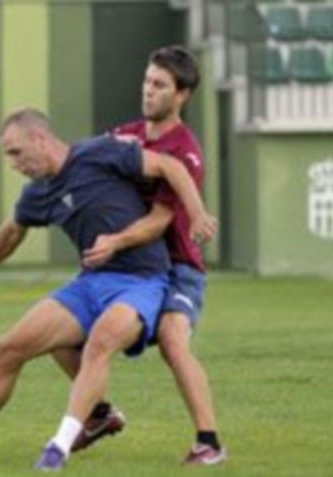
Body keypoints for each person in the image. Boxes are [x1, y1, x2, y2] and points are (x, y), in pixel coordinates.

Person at [0, 108, 216, 470]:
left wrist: (197, 214)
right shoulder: (38, 193)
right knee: (10, 347)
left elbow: (172, 167)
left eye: (16, 152)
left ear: (40, 140)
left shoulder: (101, 152)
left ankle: (58, 447)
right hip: (89, 284)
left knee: (101, 342)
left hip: (142, 281)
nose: (14, 163)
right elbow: (13, 231)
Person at [53, 45, 227, 466]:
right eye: (147, 82)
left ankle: (210, 443)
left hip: (177, 268)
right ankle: (97, 415)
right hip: (129, 269)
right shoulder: (124, 136)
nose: (148, 91)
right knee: (59, 335)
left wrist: (112, 240)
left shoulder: (184, 151)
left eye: (160, 85)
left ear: (182, 95)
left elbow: (160, 221)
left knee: (172, 340)